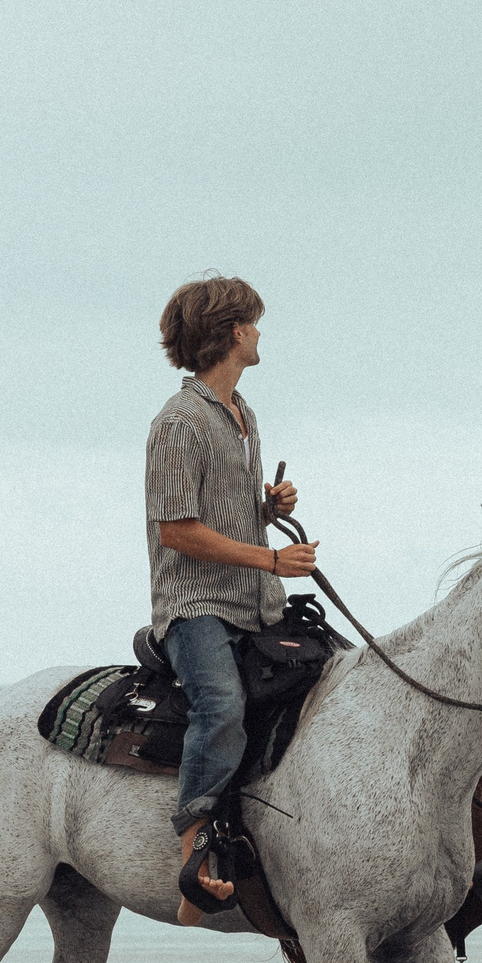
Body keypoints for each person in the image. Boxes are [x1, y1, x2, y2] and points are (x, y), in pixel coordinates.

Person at [143, 275, 319, 926]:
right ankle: (193, 865)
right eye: (254, 321)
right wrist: (273, 558)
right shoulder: (178, 423)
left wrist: (266, 510)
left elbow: (226, 517)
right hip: (196, 606)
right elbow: (179, 531)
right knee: (221, 706)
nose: (260, 332)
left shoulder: (244, 415)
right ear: (232, 331)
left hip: (255, 602)